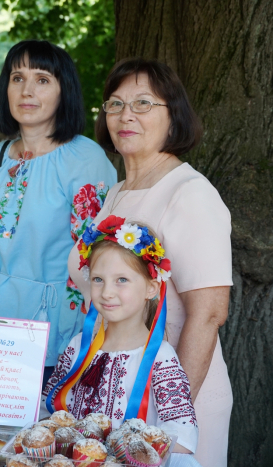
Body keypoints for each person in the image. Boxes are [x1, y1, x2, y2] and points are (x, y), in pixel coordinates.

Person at [67, 58, 232, 467]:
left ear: (173, 117)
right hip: (110, 401)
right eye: (116, 104)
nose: (126, 115)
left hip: (169, 405)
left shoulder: (190, 193)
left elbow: (209, 313)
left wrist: (169, 420)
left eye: (143, 103)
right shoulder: (117, 193)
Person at [0, 40, 117, 384]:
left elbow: (97, 255)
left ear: (63, 90)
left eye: (42, 79)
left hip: (54, 322)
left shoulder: (84, 159)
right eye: (17, 78)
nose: (27, 90)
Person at [44, 216, 198, 456]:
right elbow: (47, 409)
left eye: (122, 280)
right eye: (98, 279)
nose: (106, 292)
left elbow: (184, 437)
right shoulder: (78, 348)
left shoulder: (160, 357)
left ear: (151, 287)